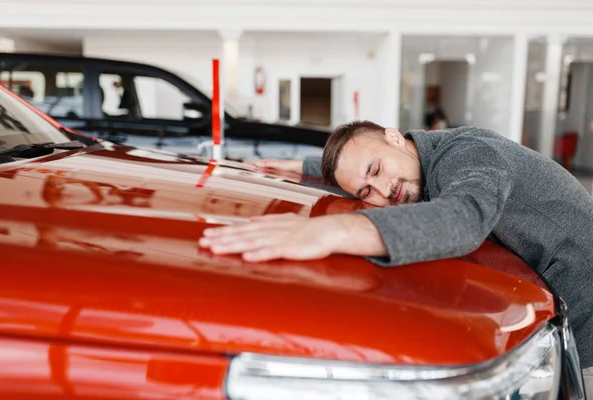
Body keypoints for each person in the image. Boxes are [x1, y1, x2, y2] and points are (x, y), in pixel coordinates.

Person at [199, 121, 593, 392]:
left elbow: (464, 217)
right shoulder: (414, 159)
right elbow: (361, 171)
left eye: (377, 170)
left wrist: (332, 231)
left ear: (394, 137)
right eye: (366, 192)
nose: (384, 192)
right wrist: (300, 169)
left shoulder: (469, 153)